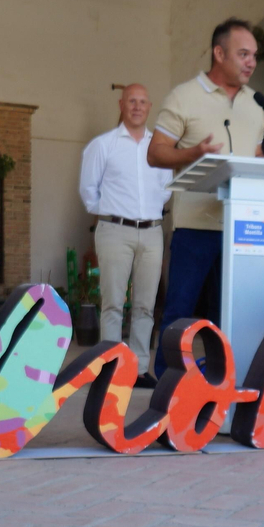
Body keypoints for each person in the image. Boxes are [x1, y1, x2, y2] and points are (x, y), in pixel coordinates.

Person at [147, 18, 264, 373]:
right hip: (196, 224)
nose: (251, 62)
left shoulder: (256, 105)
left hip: (244, 229)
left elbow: (256, 157)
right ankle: (166, 386)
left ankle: (221, 382)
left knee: (228, 313)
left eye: (254, 55)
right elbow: (155, 153)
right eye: (243, 54)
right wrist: (193, 153)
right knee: (180, 308)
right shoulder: (184, 97)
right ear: (219, 53)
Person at [79, 83, 175, 384]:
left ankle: (139, 369)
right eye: (131, 101)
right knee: (113, 303)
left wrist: (146, 215)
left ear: (149, 108)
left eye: (142, 102)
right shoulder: (102, 145)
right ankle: (111, 368)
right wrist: (112, 213)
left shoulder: (159, 149)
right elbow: (87, 191)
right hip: (114, 230)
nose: (137, 106)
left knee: (146, 306)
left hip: (151, 233)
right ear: (121, 104)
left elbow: (165, 190)